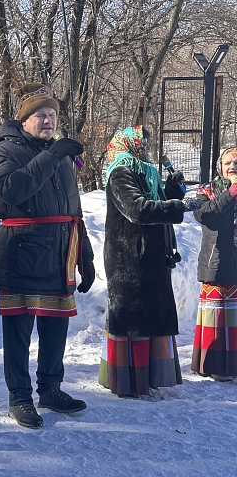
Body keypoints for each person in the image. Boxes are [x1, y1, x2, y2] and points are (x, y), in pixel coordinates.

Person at [0, 83, 94, 429]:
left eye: (52, 115)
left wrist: (86, 253)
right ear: (25, 119)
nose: (48, 120)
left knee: (55, 327)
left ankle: (50, 388)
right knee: (18, 330)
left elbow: (72, 207)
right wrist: (52, 155)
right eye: (40, 115)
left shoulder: (58, 153)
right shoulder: (4, 149)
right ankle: (19, 396)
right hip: (21, 250)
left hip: (61, 248)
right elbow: (11, 190)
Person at [99, 125, 197, 397]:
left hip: (150, 257)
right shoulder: (121, 172)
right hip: (128, 259)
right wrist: (181, 207)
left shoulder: (145, 172)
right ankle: (130, 381)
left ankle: (148, 378)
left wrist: (172, 191)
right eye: (142, 142)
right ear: (129, 145)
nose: (147, 147)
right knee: (134, 321)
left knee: (150, 319)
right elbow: (137, 210)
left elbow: (157, 205)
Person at [190, 146, 237, 382]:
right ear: (220, 166)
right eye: (228, 162)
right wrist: (231, 193)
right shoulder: (207, 189)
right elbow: (204, 215)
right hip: (216, 261)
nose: (233, 167)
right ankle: (214, 364)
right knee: (217, 318)